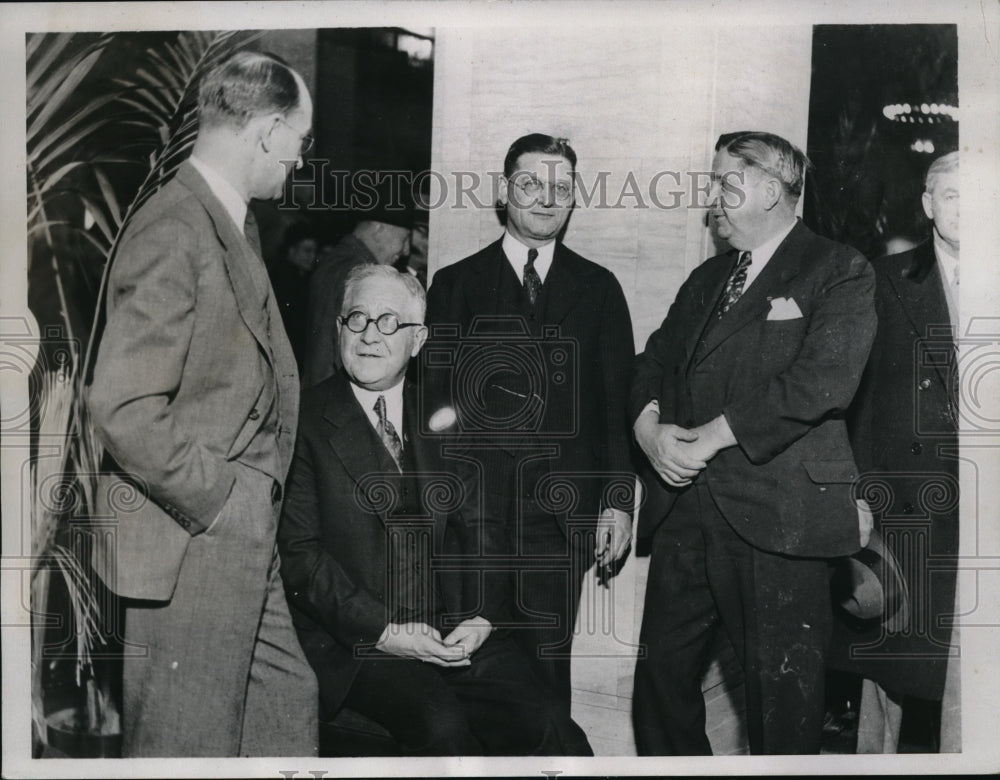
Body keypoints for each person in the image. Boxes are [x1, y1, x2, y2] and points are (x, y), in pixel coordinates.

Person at [87, 51, 318, 757]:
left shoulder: (230, 222)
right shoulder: (175, 225)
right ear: (271, 131)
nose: (299, 163)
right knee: (185, 748)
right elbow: (123, 405)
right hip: (195, 539)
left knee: (286, 713)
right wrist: (222, 501)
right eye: (301, 144)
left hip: (245, 539)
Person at [277, 264, 593, 756]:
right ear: (338, 329)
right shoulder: (302, 423)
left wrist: (484, 614)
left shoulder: (443, 417)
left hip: (451, 631)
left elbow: (484, 526)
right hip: (359, 642)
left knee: (552, 725)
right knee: (442, 728)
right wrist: (385, 632)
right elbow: (300, 557)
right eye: (356, 319)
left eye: (388, 322)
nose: (368, 336)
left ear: (418, 339)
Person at [630, 131, 876, 755]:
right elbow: (652, 361)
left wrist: (708, 439)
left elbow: (821, 382)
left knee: (782, 710)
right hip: (685, 514)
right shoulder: (709, 276)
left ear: (769, 189)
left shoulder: (839, 269)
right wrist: (649, 429)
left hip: (779, 518)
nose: (710, 197)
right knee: (659, 690)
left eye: (722, 182)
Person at [424, 133, 635, 713]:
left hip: (560, 519)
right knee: (473, 676)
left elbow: (616, 405)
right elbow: (435, 410)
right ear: (503, 191)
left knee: (546, 676)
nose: (546, 198)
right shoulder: (454, 285)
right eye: (531, 184)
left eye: (561, 187)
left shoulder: (599, 289)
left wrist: (618, 501)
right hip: (475, 521)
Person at [831, 150, 961, 752]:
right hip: (909, 510)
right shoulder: (885, 280)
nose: (968, 208)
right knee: (896, 678)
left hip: (981, 512)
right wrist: (856, 499)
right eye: (952, 194)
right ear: (929, 205)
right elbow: (857, 402)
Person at [303, 213, 412, 387]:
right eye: (405, 238)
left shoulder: (334, 261)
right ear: (379, 229)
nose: (406, 249)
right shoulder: (363, 274)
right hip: (342, 397)